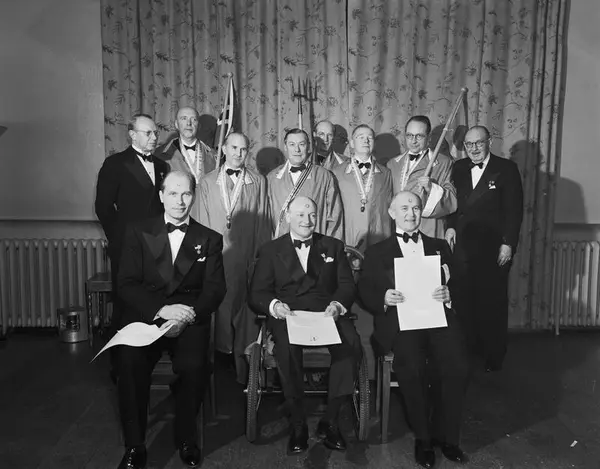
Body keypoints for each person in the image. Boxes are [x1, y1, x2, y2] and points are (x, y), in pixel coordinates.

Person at [115, 171, 226, 469]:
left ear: (194, 196)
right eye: (173, 193)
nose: (180, 200)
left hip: (189, 317)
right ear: (161, 196)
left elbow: (215, 290)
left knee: (193, 366)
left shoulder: (210, 239)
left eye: (186, 193)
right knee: (129, 363)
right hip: (147, 316)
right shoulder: (137, 231)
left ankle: (186, 438)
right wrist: (161, 310)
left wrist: (187, 315)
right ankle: (135, 446)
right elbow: (125, 283)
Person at [358, 191, 470, 469]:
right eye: (405, 208)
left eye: (416, 208)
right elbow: (365, 290)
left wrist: (450, 294)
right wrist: (384, 297)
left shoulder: (440, 246)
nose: (411, 213)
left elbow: (461, 282)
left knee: (457, 365)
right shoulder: (376, 252)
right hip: (401, 324)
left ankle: (448, 437)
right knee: (413, 366)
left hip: (437, 320)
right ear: (392, 213)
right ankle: (424, 438)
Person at [248, 196, 362, 455]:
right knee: (286, 350)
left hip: (327, 313)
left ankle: (330, 421)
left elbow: (347, 285)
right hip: (289, 315)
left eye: (311, 215)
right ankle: (298, 423)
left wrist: (337, 305)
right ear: (288, 216)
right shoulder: (270, 250)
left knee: (351, 345)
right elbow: (257, 292)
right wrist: (275, 306)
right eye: (300, 214)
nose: (307, 220)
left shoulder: (333, 246)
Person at [446, 125, 524, 372]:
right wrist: (450, 227)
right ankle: (468, 353)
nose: (474, 148)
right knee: (464, 301)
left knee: (492, 303)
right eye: (469, 144)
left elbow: (514, 210)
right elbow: (452, 203)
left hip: (493, 248)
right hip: (464, 247)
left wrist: (508, 243)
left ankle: (493, 356)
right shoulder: (458, 167)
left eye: (478, 143)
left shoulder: (506, 169)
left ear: (489, 142)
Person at [197, 132, 271, 380]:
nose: (239, 153)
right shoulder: (207, 181)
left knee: (243, 308)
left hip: (245, 256)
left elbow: (263, 220)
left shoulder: (258, 181)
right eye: (234, 148)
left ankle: (243, 363)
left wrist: (260, 256)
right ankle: (218, 359)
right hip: (217, 257)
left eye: (243, 149)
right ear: (224, 149)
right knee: (219, 305)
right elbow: (200, 221)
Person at [94, 114, 170, 338]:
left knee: (153, 301)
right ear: (132, 135)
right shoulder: (115, 164)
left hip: (156, 246)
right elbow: (103, 207)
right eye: (148, 133)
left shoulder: (162, 165)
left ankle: (152, 349)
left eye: (156, 132)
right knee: (126, 303)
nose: (154, 137)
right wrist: (120, 239)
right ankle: (122, 354)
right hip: (127, 247)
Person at [387, 115, 457, 238]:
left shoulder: (443, 162)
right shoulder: (392, 164)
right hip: (399, 228)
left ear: (429, 138)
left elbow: (451, 202)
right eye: (409, 135)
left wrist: (431, 188)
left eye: (419, 136)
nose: (413, 141)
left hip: (428, 228)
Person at [267, 128, 344, 240]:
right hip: (282, 244)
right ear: (285, 147)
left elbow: (335, 216)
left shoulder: (324, 176)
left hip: (315, 244)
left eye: (301, 144)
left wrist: (330, 246)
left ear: (308, 146)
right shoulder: (272, 178)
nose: (297, 149)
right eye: (292, 144)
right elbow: (266, 218)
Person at [333, 124, 393, 251]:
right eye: (360, 137)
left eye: (369, 138)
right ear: (352, 143)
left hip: (378, 236)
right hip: (349, 235)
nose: (366, 140)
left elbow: (389, 206)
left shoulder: (386, 173)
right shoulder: (336, 172)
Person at [159, 107, 217, 218]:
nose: (188, 123)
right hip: (176, 215)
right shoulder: (161, 155)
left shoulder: (214, 156)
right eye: (184, 118)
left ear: (199, 125)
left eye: (193, 119)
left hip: (207, 215)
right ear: (176, 124)